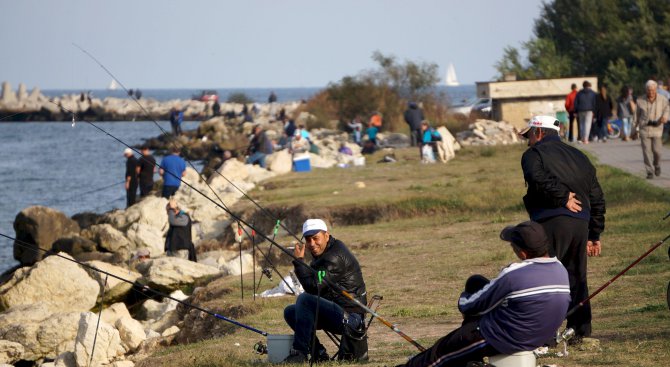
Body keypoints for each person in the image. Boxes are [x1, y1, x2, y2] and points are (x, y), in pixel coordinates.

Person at [398, 221, 570, 367]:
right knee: (477, 282)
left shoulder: (514, 274)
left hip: (501, 337)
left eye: (513, 246)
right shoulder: (560, 269)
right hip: (537, 335)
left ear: (523, 253)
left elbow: (469, 304)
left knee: (439, 353)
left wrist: (463, 297)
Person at [518, 115, 606, 341]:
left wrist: (562, 197)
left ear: (539, 133)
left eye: (529, 135)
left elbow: (535, 177)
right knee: (577, 276)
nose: (527, 141)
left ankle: (546, 335)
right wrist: (594, 233)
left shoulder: (533, 155)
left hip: (549, 222)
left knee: (547, 277)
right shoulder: (580, 156)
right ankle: (581, 330)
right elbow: (596, 196)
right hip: (580, 225)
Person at [283, 219, 368, 363]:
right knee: (290, 311)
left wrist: (299, 262)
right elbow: (315, 284)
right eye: (308, 240)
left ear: (326, 236)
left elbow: (313, 287)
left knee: (305, 299)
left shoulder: (334, 257)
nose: (312, 244)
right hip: (335, 309)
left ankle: (299, 353)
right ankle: (319, 354)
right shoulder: (325, 252)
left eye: (316, 238)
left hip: (350, 318)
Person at [635, 79, 670, 179]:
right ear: (646, 90)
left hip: (657, 128)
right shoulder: (640, 100)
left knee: (657, 151)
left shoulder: (662, 99)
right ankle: (649, 171)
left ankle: (657, 165)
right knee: (646, 151)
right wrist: (634, 130)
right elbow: (636, 116)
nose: (651, 92)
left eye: (653, 90)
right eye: (649, 90)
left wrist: (665, 117)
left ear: (656, 90)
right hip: (644, 128)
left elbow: (667, 109)